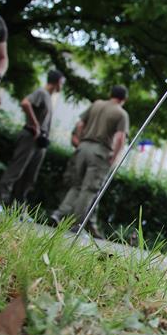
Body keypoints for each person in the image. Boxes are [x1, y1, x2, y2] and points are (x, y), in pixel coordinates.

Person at [50, 85, 130, 235]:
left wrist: (80, 141)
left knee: (76, 185)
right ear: (124, 99)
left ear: (110, 94)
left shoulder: (96, 104)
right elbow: (120, 138)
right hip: (100, 151)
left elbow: (80, 124)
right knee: (89, 189)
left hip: (83, 147)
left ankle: (59, 214)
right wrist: (114, 156)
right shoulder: (121, 114)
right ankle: (76, 223)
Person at [0, 70, 64, 211]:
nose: (62, 86)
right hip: (30, 137)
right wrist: (35, 124)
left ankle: (17, 208)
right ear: (57, 81)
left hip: (39, 142)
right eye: (62, 82)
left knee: (29, 177)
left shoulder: (48, 97)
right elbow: (25, 103)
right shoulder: (41, 92)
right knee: (15, 171)